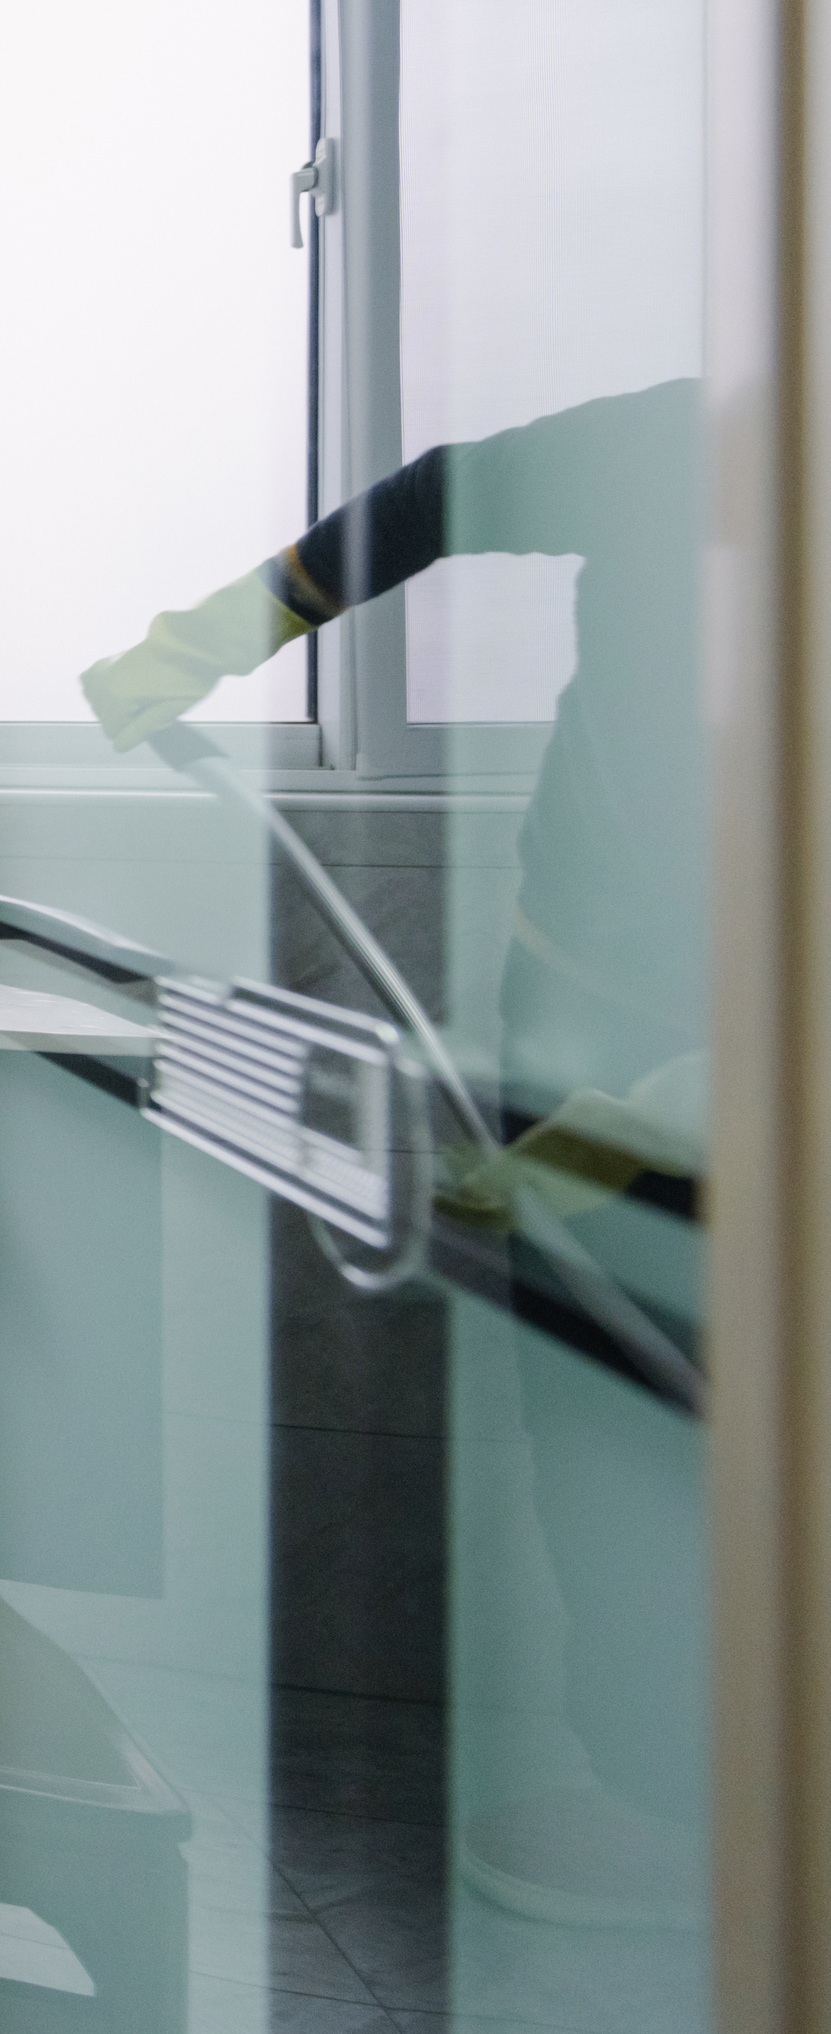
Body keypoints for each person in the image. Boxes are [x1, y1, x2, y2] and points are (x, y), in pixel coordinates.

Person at [83, 377, 710, 1928]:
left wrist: (704, 1087)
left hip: (750, 1040)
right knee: (594, 1396)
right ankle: (659, 1791)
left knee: (698, 1404)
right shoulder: (683, 435)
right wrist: (218, 634)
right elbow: (436, 499)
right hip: (586, 1005)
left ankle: (715, 1798)